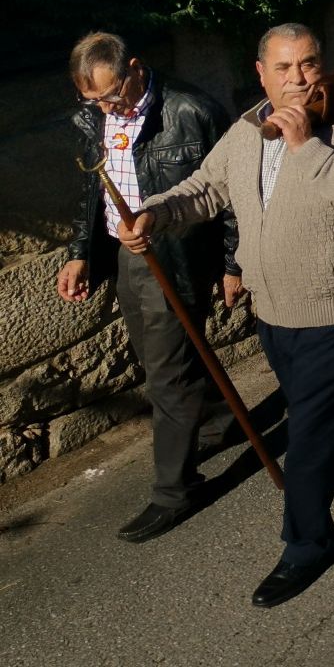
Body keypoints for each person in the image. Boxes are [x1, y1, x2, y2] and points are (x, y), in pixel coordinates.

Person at [131, 23, 334, 607]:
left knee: (308, 430)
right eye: (284, 69)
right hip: (274, 307)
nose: (299, 79)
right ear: (261, 74)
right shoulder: (247, 129)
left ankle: (306, 545)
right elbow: (206, 188)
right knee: (329, 407)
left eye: (308, 64)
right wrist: (154, 213)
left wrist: (309, 145)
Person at [61, 32, 230, 543]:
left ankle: (174, 491)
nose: (105, 107)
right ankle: (217, 421)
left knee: (166, 375)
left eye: (112, 95)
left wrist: (233, 262)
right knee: (165, 355)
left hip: (177, 251)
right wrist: (80, 253)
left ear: (134, 68)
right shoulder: (96, 114)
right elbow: (94, 187)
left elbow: (233, 188)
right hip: (126, 253)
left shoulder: (190, 110)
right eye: (92, 100)